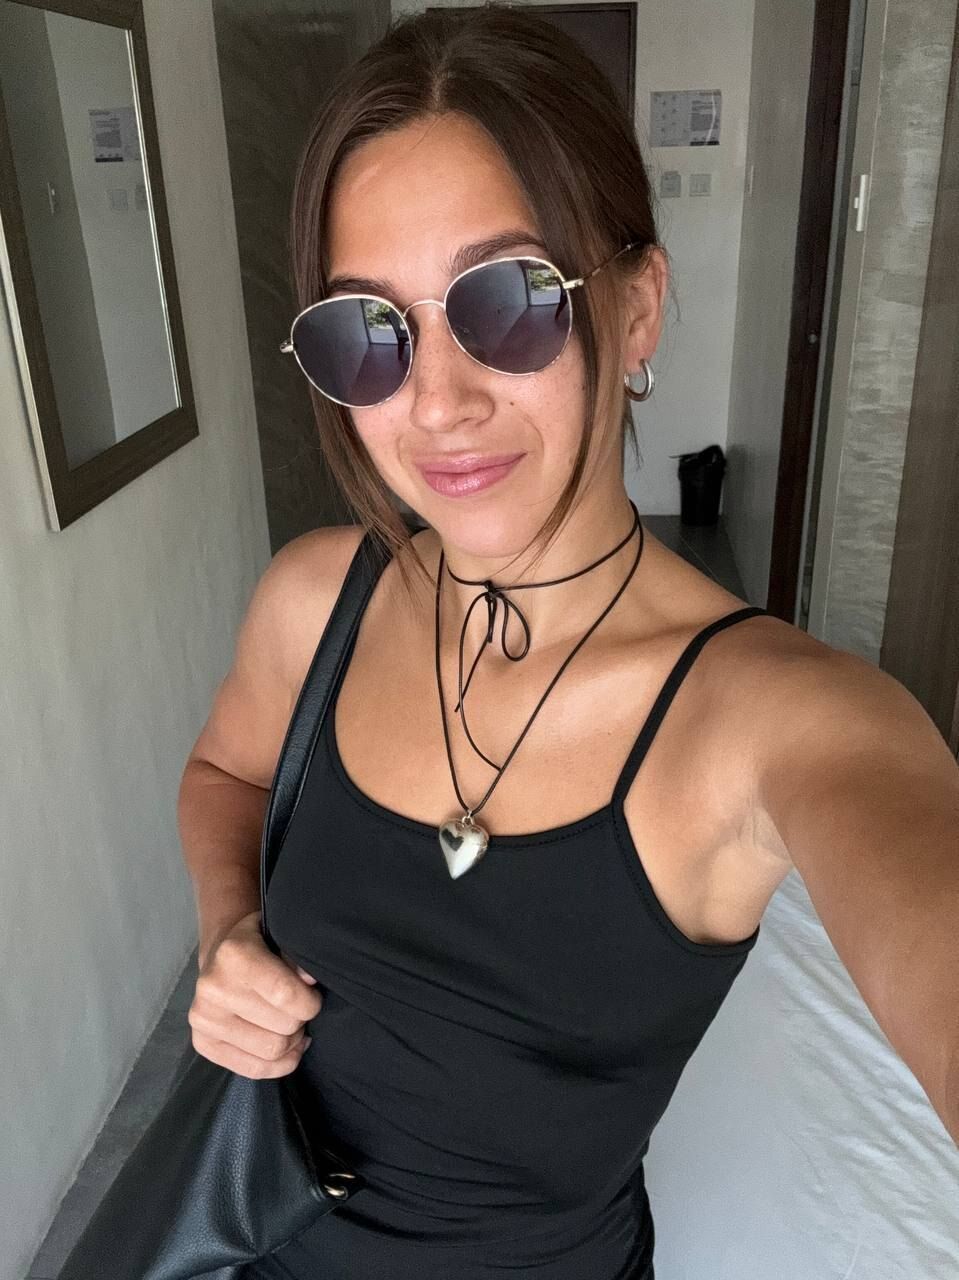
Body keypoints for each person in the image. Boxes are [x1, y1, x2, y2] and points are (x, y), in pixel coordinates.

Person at [175, 7, 959, 1279]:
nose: (437, 401)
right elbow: (225, 773)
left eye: (508, 302)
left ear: (636, 309)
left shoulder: (770, 717)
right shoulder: (315, 601)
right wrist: (228, 927)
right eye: (367, 331)